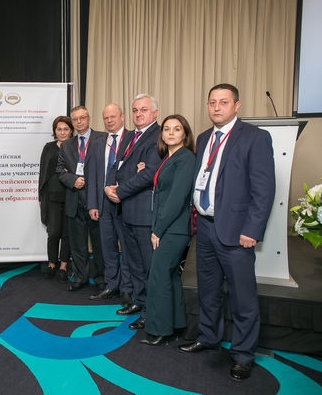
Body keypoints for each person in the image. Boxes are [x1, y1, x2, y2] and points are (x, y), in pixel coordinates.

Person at [178, 83, 275, 381]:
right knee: (208, 290)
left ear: (236, 106)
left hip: (236, 231)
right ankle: (209, 337)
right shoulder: (204, 137)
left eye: (223, 102)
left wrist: (252, 229)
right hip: (206, 228)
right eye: (212, 102)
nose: (216, 107)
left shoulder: (255, 137)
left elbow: (264, 189)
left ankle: (243, 355)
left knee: (243, 297)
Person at [104, 94, 162, 329]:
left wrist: (120, 191)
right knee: (133, 263)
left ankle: (151, 312)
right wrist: (109, 186)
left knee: (148, 267)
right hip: (127, 211)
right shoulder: (131, 136)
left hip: (143, 213)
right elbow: (119, 166)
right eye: (135, 110)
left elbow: (148, 174)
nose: (139, 114)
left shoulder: (157, 136)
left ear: (155, 113)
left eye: (144, 110)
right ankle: (140, 302)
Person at [139, 114, 195, 346]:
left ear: (185, 134)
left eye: (177, 129)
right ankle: (177, 324)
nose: (171, 132)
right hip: (167, 226)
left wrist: (158, 230)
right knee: (170, 276)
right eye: (167, 129)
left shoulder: (186, 158)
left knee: (158, 276)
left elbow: (176, 199)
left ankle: (161, 329)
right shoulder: (168, 158)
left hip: (174, 228)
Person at [85, 104, 132, 304]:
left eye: (113, 116)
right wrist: (92, 204)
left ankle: (128, 289)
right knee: (108, 248)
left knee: (128, 250)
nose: (109, 120)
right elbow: (92, 175)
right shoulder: (97, 143)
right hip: (103, 205)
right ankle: (112, 285)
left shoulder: (132, 139)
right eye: (106, 118)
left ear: (122, 117)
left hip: (125, 203)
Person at [56, 106, 106, 292]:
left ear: (88, 118)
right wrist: (73, 180)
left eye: (82, 118)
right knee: (78, 245)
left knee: (100, 244)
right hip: (74, 201)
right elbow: (60, 170)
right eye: (75, 119)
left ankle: (101, 278)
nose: (79, 122)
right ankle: (80, 276)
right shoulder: (66, 145)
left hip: (97, 201)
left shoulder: (103, 138)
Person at [38, 116, 73, 282]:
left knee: (67, 233)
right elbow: (42, 172)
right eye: (59, 129)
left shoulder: (76, 147)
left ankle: (63, 266)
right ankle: (52, 263)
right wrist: (40, 196)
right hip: (51, 196)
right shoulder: (48, 147)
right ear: (55, 131)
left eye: (66, 129)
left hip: (70, 195)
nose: (62, 132)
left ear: (71, 131)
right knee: (53, 232)